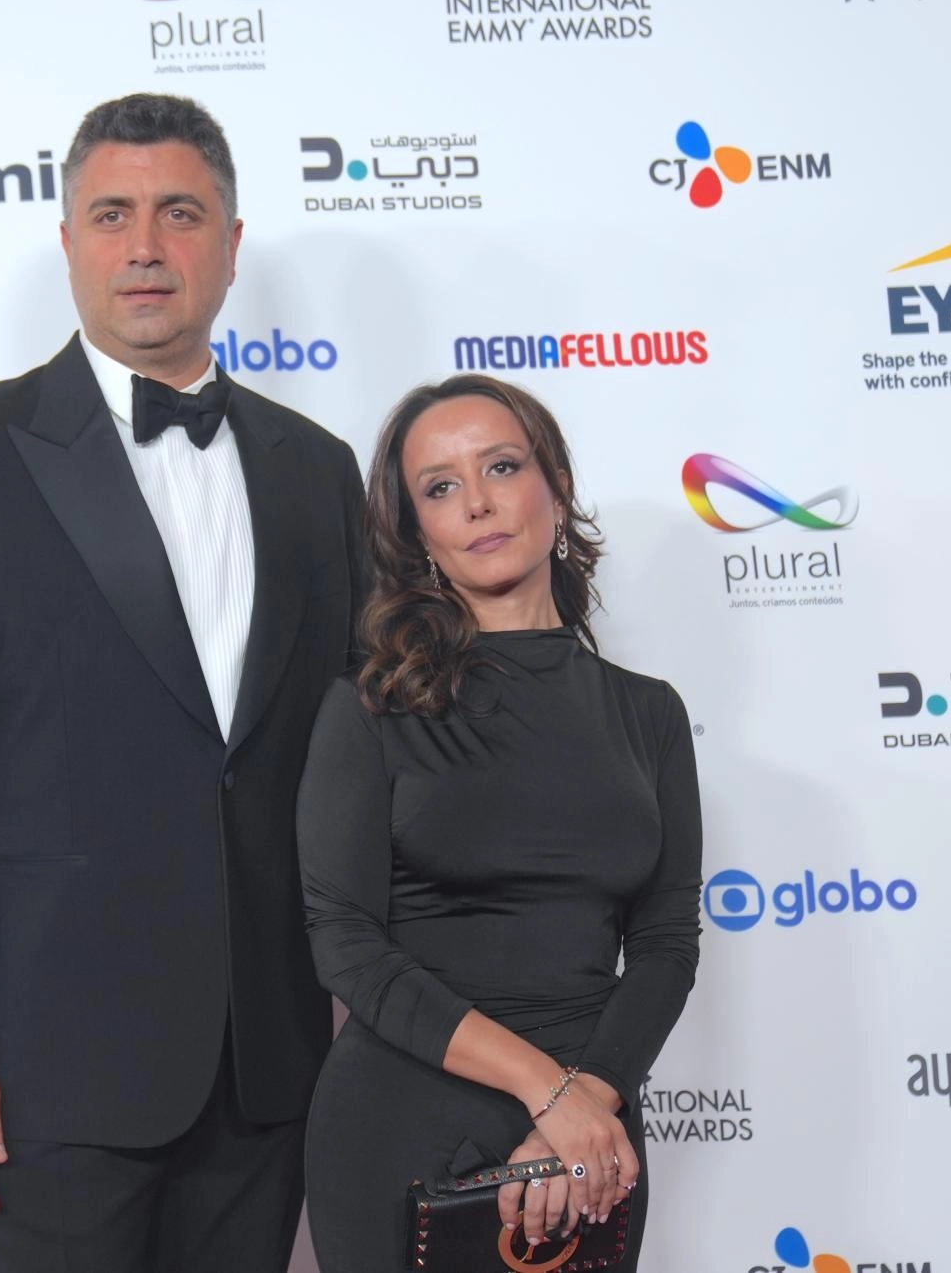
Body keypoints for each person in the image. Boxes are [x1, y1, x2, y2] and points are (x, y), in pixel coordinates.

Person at [0, 93, 368, 1273]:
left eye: (179, 213)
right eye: (111, 215)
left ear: (230, 245)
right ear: (68, 242)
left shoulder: (317, 471)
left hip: (265, 1069)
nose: (145, 246)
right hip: (40, 1076)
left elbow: (348, 760)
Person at [295, 374, 701, 1272]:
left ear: (556, 485)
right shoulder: (367, 710)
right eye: (440, 487)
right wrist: (547, 1093)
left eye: (502, 466)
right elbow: (346, 945)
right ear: (418, 534)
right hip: (406, 1120)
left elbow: (667, 942)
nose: (476, 502)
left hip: (593, 1130)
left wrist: (588, 1100)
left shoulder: (650, 714)